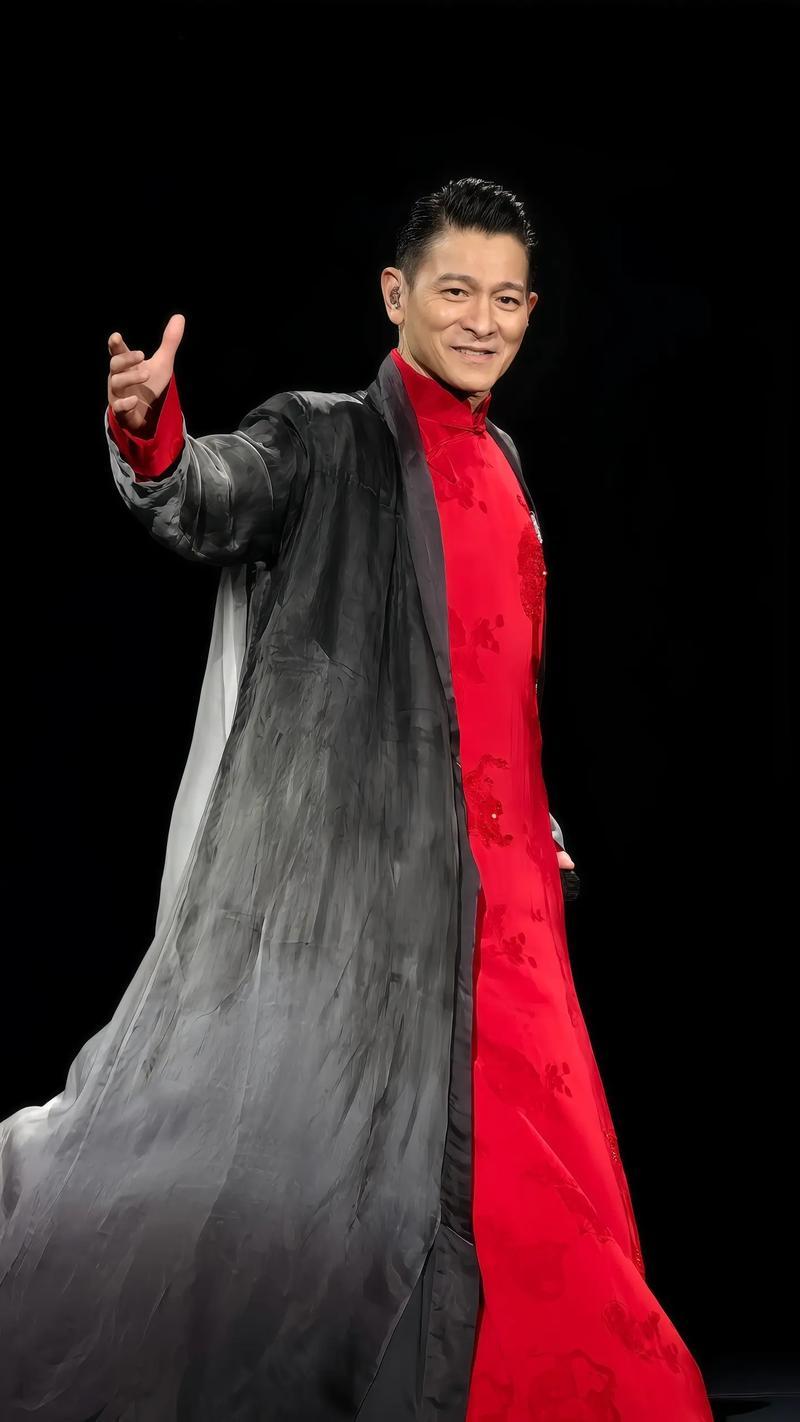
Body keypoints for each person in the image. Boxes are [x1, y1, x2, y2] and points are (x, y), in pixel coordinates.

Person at [0, 178, 713, 1421]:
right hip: (386, 891)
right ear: (396, 295)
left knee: (542, 1175)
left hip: (511, 901)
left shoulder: (503, 461)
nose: (481, 319)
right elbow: (212, 495)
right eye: (455, 291)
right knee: (376, 1171)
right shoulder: (325, 439)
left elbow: (500, 686)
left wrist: (537, 837)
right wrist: (152, 438)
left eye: (507, 300)